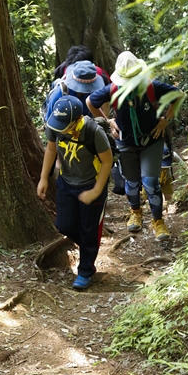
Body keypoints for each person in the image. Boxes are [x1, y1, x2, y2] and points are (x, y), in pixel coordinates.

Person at [86, 51, 184, 242]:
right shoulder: (113, 89)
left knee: (151, 182)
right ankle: (135, 212)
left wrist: (166, 119)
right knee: (131, 181)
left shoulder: (151, 87)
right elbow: (90, 102)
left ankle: (158, 221)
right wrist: (108, 122)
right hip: (125, 142)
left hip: (152, 141)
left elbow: (178, 95)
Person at [37, 95, 113, 290]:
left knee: (88, 229)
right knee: (64, 225)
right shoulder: (55, 127)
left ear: (76, 120)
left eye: (64, 126)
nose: (60, 129)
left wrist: (96, 191)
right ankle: (90, 246)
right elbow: (51, 149)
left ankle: (86, 271)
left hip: (91, 184)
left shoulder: (92, 131)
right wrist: (44, 177)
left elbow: (107, 161)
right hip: (66, 182)